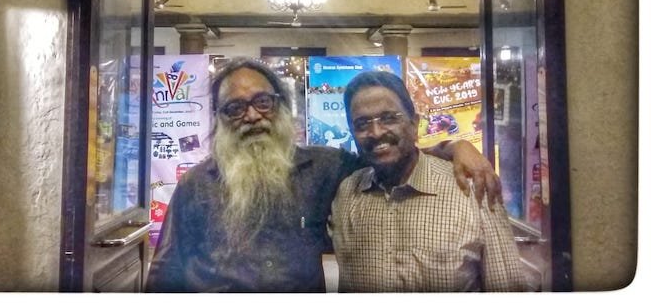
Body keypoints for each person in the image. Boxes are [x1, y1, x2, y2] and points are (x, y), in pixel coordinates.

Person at [145, 58, 502, 293]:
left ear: (281, 107)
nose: (251, 116)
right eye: (234, 108)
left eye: (262, 102)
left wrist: (455, 146)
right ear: (220, 118)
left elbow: (388, 152)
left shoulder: (325, 168)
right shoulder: (195, 185)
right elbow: (163, 274)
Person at [329, 70, 528, 292]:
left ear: (414, 124)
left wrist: (457, 145)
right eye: (362, 124)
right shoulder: (347, 193)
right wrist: (453, 145)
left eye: (388, 118)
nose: (376, 132)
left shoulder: (473, 190)